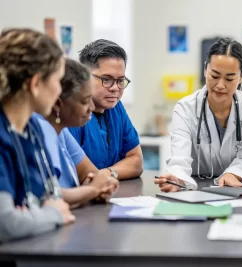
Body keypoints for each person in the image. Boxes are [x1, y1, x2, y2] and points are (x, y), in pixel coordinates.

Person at [155, 38, 242, 191]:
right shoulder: (185, 108)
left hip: (237, 188)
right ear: (205, 70)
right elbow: (180, 160)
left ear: (241, 76)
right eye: (214, 76)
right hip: (196, 191)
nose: (220, 85)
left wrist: (233, 174)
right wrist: (177, 178)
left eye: (229, 78)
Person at [0, 28, 75, 243]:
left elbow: (53, 197)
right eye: (58, 81)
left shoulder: (33, 128)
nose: (60, 91)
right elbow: (6, 223)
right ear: (35, 84)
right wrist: (52, 215)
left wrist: (41, 214)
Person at [36, 58, 119, 207]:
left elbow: (92, 174)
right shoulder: (40, 131)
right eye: (85, 101)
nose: (92, 107)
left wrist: (100, 185)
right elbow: (48, 196)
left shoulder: (62, 132)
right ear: (58, 103)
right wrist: (92, 190)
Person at [68, 39, 143, 180]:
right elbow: (74, 173)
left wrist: (108, 174)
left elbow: (136, 161)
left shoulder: (116, 108)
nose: (115, 88)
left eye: (120, 80)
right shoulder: (71, 113)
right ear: (84, 76)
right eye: (106, 79)